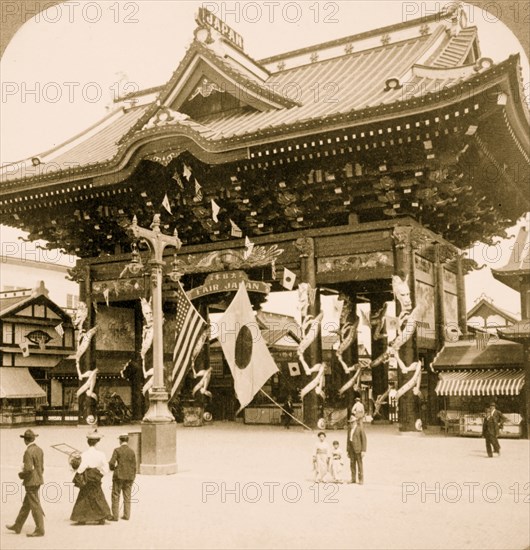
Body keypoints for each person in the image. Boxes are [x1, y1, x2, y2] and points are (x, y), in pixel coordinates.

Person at [6, 429, 45, 537]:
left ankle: (40, 529)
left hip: (31, 482)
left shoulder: (28, 452)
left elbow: (28, 469)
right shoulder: (39, 449)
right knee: (26, 505)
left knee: (35, 506)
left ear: (25, 440)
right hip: (38, 479)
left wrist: (21, 475)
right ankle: (18, 525)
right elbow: (41, 467)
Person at [70, 430, 111, 525]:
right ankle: (101, 517)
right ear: (97, 442)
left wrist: (78, 473)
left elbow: (81, 467)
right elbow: (106, 468)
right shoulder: (101, 454)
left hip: (87, 475)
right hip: (96, 476)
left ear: (88, 442)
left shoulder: (84, 454)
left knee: (84, 496)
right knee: (98, 495)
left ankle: (81, 518)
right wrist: (100, 473)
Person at [109, 434, 137, 521]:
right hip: (129, 476)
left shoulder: (117, 450)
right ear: (127, 441)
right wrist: (133, 476)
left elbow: (111, 463)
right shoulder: (132, 451)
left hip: (119, 476)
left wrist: (113, 469)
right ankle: (127, 515)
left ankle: (115, 516)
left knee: (115, 495)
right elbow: (134, 466)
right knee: (127, 496)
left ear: (120, 441)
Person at [346, 416, 367, 484]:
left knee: (359, 464)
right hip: (351, 449)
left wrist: (363, 450)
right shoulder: (349, 429)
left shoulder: (360, 429)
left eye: (352, 422)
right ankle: (353, 479)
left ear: (355, 422)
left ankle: (361, 479)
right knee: (352, 464)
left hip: (358, 449)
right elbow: (348, 440)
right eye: (350, 423)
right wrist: (347, 450)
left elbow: (364, 440)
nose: (351, 424)